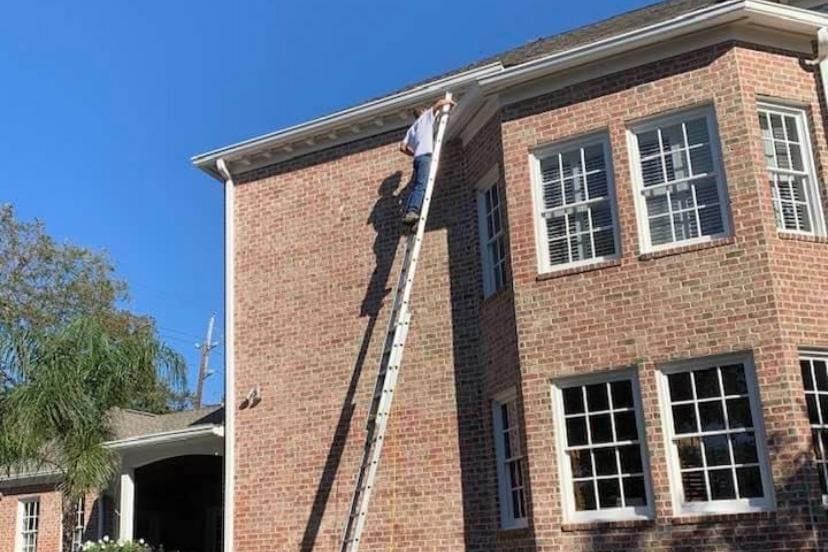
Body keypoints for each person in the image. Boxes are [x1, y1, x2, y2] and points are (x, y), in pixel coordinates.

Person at [399, 97, 456, 225]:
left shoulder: (412, 127)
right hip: (425, 157)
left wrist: (413, 153)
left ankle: (411, 214)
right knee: (421, 186)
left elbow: (402, 147)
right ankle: (412, 211)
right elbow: (439, 104)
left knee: (416, 186)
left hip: (417, 159)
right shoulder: (426, 117)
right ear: (423, 111)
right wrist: (451, 102)